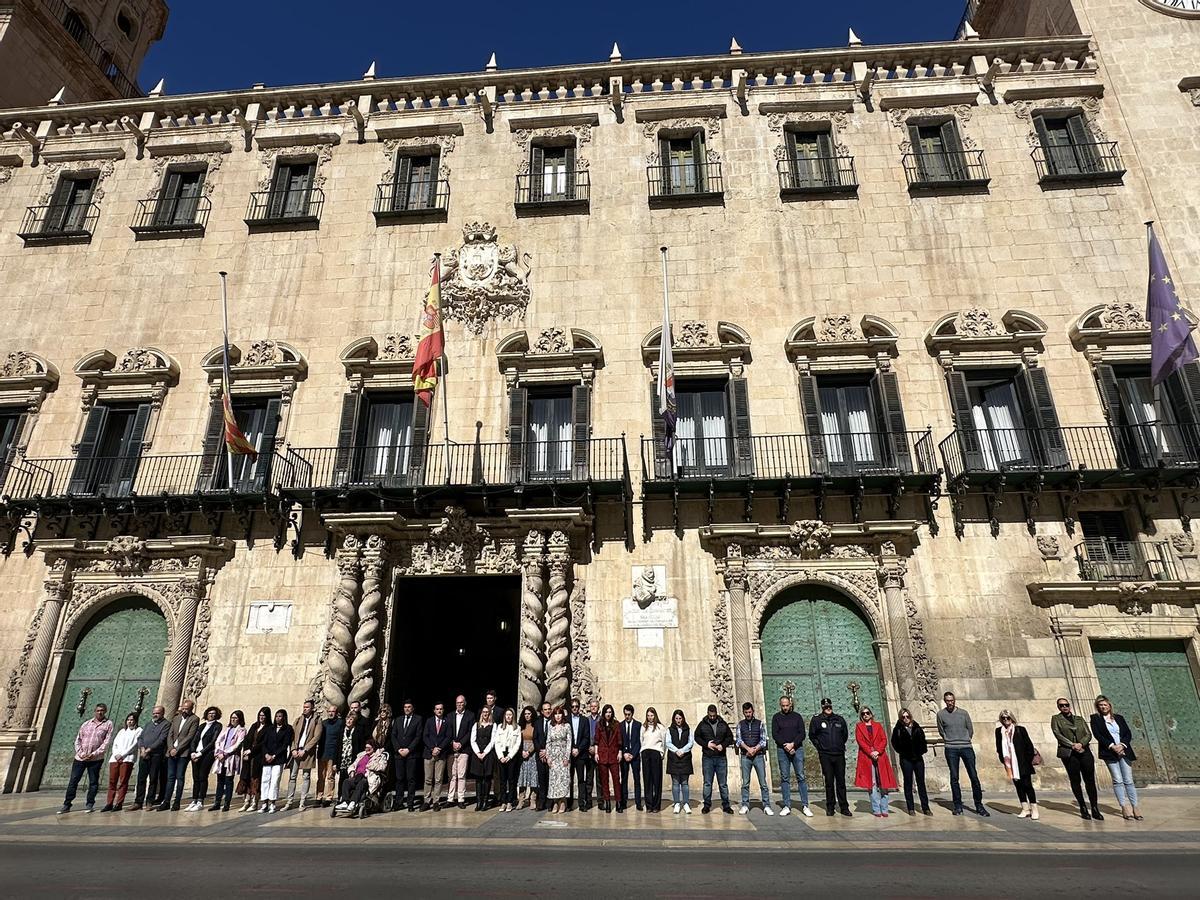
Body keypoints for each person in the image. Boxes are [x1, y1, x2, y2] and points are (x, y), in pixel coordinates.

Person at [936, 692, 989, 817]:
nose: (950, 703)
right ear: (944, 701)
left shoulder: (963, 713)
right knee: (954, 777)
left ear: (955, 700)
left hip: (966, 746)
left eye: (952, 700)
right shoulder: (940, 714)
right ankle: (957, 805)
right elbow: (941, 731)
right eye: (947, 701)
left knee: (974, 776)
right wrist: (950, 739)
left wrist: (965, 739)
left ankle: (979, 805)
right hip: (951, 748)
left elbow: (970, 729)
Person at [1091, 695, 1142, 821]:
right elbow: (1098, 735)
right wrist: (1112, 746)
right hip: (1109, 752)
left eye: (1105, 704)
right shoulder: (1095, 719)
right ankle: (1124, 807)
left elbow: (1127, 733)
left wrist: (1122, 745)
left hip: (1124, 751)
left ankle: (1135, 807)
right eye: (1101, 705)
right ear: (1098, 707)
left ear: (1110, 706)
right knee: (1118, 780)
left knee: (1128, 780)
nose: (1103, 707)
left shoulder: (1119, 718)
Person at [1052, 696, 1103, 820]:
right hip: (1069, 753)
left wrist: (1081, 743)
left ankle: (1094, 808)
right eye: (1061, 705)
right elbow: (1057, 734)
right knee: (1075, 780)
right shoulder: (1056, 719)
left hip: (1084, 751)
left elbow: (1088, 733)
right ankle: (1082, 807)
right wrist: (1072, 745)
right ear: (1058, 707)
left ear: (1070, 706)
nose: (1064, 707)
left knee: (1090, 780)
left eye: (1066, 705)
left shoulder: (1079, 719)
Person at [809, 697, 851, 817]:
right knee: (829, 781)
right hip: (826, 755)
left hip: (838, 754)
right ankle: (830, 807)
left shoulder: (839, 719)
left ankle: (844, 807)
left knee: (841, 782)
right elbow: (812, 735)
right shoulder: (817, 720)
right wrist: (820, 747)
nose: (828, 708)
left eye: (829, 706)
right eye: (825, 707)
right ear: (822, 708)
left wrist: (838, 745)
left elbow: (845, 735)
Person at [772, 695, 812, 817]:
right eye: (782, 705)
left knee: (801, 776)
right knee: (785, 778)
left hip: (797, 749)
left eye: (786, 705)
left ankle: (805, 805)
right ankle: (786, 805)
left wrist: (793, 744)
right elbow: (775, 734)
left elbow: (802, 733)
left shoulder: (797, 717)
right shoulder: (776, 717)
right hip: (782, 750)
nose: (785, 707)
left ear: (790, 704)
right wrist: (786, 745)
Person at [995, 710, 1039, 820]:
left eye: (1008, 718)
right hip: (1010, 764)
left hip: (1023, 762)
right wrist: (1003, 760)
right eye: (1003, 718)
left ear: (1012, 718)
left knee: (1027, 785)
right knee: (1018, 786)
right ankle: (1025, 808)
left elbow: (1029, 746)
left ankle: (1034, 808)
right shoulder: (999, 731)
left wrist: (1027, 760)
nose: (1006, 720)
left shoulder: (1020, 730)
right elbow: (999, 748)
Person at [855, 706, 897, 818]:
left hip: (880, 757)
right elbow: (860, 741)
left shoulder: (878, 725)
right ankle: (876, 809)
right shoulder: (859, 726)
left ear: (871, 714)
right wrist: (870, 752)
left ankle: (884, 808)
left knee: (884, 783)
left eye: (867, 713)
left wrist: (877, 751)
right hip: (867, 758)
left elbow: (884, 739)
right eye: (863, 714)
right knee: (872, 783)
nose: (865, 715)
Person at [890, 708, 931, 815]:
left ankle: (925, 807)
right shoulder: (898, 729)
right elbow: (894, 743)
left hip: (918, 758)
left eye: (907, 716)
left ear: (910, 716)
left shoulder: (917, 727)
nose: (906, 719)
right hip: (906, 759)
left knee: (921, 782)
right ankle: (911, 808)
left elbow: (923, 740)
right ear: (900, 718)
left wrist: (921, 751)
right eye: (903, 717)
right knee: (908, 783)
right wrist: (902, 752)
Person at [159, 699, 198, 812]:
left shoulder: (194, 719)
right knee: (170, 777)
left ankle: (177, 801)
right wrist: (171, 748)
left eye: (187, 709)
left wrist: (178, 749)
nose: (184, 710)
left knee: (179, 777)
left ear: (191, 709)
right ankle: (166, 801)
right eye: (183, 708)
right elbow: (170, 734)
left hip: (183, 753)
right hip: (171, 752)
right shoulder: (176, 718)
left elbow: (190, 736)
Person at [335, 739, 389, 819]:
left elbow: (382, 767)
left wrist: (370, 766)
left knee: (362, 782)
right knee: (346, 781)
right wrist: (352, 771)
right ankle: (345, 802)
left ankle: (353, 802)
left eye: (369, 748)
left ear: (373, 748)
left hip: (369, 777)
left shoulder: (380, 757)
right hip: (357, 776)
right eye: (366, 748)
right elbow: (353, 765)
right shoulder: (361, 756)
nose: (367, 750)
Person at [694, 703, 734, 815]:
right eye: (710, 716)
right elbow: (697, 737)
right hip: (708, 757)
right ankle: (707, 805)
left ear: (716, 713)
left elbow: (730, 737)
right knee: (707, 782)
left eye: (713, 715)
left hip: (721, 757)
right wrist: (706, 744)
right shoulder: (702, 724)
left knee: (723, 783)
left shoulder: (722, 724)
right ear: (708, 714)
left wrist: (723, 745)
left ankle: (726, 805)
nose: (712, 718)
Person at [736, 701, 773, 816]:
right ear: (743, 712)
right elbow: (738, 740)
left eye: (750, 712)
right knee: (745, 783)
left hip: (758, 756)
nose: (748, 714)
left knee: (763, 782)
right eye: (746, 712)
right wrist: (748, 749)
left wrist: (754, 749)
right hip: (745, 756)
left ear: (753, 711)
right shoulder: (740, 724)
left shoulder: (760, 723)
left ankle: (766, 805)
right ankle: (745, 805)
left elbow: (763, 740)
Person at [283, 699, 320, 811]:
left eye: (307, 707)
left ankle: (302, 802)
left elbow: (316, 737)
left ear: (312, 708)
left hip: (307, 753)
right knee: (292, 776)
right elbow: (292, 736)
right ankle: (289, 801)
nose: (305, 709)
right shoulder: (298, 720)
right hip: (296, 751)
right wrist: (293, 749)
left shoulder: (317, 720)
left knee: (306, 776)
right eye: (304, 707)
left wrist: (306, 749)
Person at [131, 705, 168, 811]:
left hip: (156, 755)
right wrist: (142, 748)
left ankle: (149, 802)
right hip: (144, 755)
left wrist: (149, 750)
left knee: (153, 779)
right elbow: (141, 737)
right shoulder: (148, 724)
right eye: (154, 713)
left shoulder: (166, 724)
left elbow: (161, 739)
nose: (155, 715)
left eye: (157, 713)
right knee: (141, 779)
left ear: (162, 713)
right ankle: (138, 802)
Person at [101, 713, 140, 812]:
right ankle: (109, 803)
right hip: (115, 758)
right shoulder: (122, 731)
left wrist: (122, 755)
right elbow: (115, 743)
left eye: (132, 720)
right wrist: (116, 754)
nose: (130, 721)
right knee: (112, 781)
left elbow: (134, 745)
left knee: (123, 781)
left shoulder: (139, 731)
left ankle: (119, 803)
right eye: (128, 720)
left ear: (135, 721)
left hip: (127, 759)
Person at [186, 705, 222, 812]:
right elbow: (194, 739)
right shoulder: (202, 726)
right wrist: (193, 752)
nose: (211, 715)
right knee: (196, 777)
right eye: (210, 713)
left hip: (207, 754)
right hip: (195, 753)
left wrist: (200, 753)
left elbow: (212, 742)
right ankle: (194, 799)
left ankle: (201, 800)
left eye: (213, 714)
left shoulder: (217, 726)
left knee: (202, 776)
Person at [390, 699, 423, 812]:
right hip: (399, 754)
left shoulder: (418, 719)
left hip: (411, 754)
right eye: (405, 707)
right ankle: (399, 802)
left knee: (411, 779)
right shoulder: (398, 720)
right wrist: (398, 749)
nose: (407, 709)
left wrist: (409, 749)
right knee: (399, 779)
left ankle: (410, 803)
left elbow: (418, 736)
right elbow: (393, 735)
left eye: (409, 707)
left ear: (412, 708)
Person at [260, 708, 294, 814]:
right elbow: (264, 743)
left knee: (275, 781)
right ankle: (264, 802)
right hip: (267, 758)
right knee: (265, 780)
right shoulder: (270, 728)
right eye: (277, 716)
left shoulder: (288, 729)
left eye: (280, 716)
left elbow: (285, 745)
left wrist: (274, 756)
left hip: (278, 759)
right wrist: (266, 754)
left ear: (284, 717)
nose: (278, 718)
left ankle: (272, 803)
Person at [237, 706, 270, 812]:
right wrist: (246, 750)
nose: (261, 717)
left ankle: (254, 802)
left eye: (263, 716)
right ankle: (246, 801)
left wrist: (251, 750)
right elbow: (247, 740)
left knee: (255, 779)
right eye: (260, 715)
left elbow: (263, 743)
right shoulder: (254, 726)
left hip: (258, 757)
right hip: (248, 757)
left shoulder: (269, 728)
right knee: (246, 778)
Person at [212, 710, 245, 812]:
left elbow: (237, 745)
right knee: (220, 781)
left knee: (229, 781)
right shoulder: (226, 729)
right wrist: (218, 751)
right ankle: (217, 802)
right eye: (232, 718)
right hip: (221, 757)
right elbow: (218, 740)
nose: (233, 720)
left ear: (239, 719)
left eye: (235, 718)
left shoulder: (242, 730)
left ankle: (227, 803)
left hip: (230, 758)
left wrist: (225, 753)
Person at [421, 701, 451, 811]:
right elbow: (425, 736)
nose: (439, 711)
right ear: (434, 710)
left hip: (441, 754)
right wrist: (432, 748)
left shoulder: (447, 722)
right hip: (429, 753)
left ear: (443, 710)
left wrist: (439, 748)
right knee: (428, 779)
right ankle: (426, 801)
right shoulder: (429, 721)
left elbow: (448, 737)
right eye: (437, 709)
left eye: (441, 709)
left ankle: (436, 801)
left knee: (438, 779)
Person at [447, 695, 475, 809]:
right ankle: (450, 798)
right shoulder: (449, 716)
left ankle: (461, 799)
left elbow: (470, 732)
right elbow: (447, 732)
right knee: (452, 775)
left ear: (465, 703)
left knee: (461, 775)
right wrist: (452, 743)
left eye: (461, 702)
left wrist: (460, 743)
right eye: (457, 703)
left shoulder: (470, 715)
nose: (459, 704)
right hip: (451, 749)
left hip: (464, 749)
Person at [594, 703, 622, 813]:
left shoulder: (616, 724)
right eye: (606, 712)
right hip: (603, 754)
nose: (608, 714)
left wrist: (620, 752)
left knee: (616, 779)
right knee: (604, 781)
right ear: (603, 713)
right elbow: (596, 740)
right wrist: (596, 753)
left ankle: (618, 802)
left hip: (614, 755)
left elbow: (619, 740)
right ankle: (607, 802)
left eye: (610, 712)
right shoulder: (599, 725)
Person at [666, 709, 694, 814]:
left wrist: (683, 750)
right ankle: (677, 802)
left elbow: (691, 742)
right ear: (674, 719)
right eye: (676, 718)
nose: (678, 720)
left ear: (683, 718)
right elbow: (668, 743)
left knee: (685, 783)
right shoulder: (669, 730)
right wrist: (676, 750)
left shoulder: (688, 729)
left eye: (680, 718)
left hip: (685, 758)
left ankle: (686, 803)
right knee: (675, 782)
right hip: (674, 759)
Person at [336, 709, 367, 803]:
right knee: (342, 780)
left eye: (351, 719)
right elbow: (337, 747)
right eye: (348, 719)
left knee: (351, 780)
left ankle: (350, 798)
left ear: (354, 721)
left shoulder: (358, 732)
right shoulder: (341, 732)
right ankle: (341, 798)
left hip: (352, 760)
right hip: (342, 760)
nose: (349, 721)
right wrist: (335, 762)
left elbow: (361, 747)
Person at [494, 707, 522, 812]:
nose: (508, 717)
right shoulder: (500, 727)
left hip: (511, 756)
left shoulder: (517, 728)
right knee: (502, 780)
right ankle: (503, 802)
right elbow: (497, 742)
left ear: (513, 716)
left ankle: (510, 801)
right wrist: (501, 756)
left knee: (511, 780)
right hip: (501, 754)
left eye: (510, 715)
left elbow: (517, 744)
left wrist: (509, 756)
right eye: (507, 715)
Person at [546, 706, 572, 814]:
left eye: (559, 713)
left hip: (563, 755)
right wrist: (548, 757)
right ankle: (555, 801)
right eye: (556, 714)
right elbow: (548, 742)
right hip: (553, 755)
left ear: (562, 715)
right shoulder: (550, 726)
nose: (558, 716)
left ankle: (563, 802)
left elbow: (569, 742)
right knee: (554, 780)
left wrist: (567, 757)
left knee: (563, 779)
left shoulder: (566, 726)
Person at [315, 704, 343, 808]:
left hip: (332, 753)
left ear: (336, 713)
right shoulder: (323, 723)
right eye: (329, 711)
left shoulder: (340, 723)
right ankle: (319, 796)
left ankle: (329, 797)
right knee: (320, 777)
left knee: (330, 776)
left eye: (333, 711)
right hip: (322, 753)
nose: (331, 713)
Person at [469, 706, 496, 811]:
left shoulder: (493, 726)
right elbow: (472, 740)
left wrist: (484, 752)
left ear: (490, 713)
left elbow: (492, 741)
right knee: (478, 779)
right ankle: (478, 802)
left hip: (488, 754)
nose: (485, 714)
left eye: (487, 712)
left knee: (487, 779)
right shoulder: (476, 725)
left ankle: (485, 801)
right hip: (477, 754)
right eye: (484, 712)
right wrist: (478, 753)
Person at [568, 698, 592, 811]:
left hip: (581, 754)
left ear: (579, 707)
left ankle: (582, 803)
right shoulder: (566, 719)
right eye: (572, 707)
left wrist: (578, 749)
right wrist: (571, 748)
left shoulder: (584, 720)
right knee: (569, 779)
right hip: (569, 754)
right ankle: (569, 803)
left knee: (581, 779)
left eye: (576, 706)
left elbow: (586, 737)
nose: (574, 708)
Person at [641, 707, 666, 813]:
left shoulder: (660, 728)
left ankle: (656, 805)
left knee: (657, 780)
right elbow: (641, 740)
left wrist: (662, 753)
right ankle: (649, 805)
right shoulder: (643, 727)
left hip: (656, 753)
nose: (650, 718)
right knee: (647, 780)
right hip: (646, 753)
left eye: (651, 715)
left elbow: (664, 742)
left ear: (655, 716)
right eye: (648, 716)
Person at [619, 704, 643, 812]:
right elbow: (620, 741)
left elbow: (639, 741)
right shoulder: (620, 725)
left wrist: (633, 754)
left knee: (637, 779)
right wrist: (624, 753)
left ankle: (638, 803)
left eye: (629, 714)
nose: (627, 716)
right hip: (624, 756)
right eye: (625, 714)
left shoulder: (638, 725)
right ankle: (624, 802)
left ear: (632, 714)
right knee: (624, 779)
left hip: (635, 756)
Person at [532, 700, 554, 811]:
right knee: (541, 779)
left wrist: (547, 751)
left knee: (550, 778)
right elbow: (535, 738)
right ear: (542, 711)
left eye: (549, 709)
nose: (547, 711)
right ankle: (541, 801)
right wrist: (540, 751)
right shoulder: (537, 722)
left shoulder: (555, 722)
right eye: (545, 709)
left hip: (551, 755)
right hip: (540, 755)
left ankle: (550, 802)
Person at [517, 705, 538, 810]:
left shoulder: (535, 725)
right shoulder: (520, 726)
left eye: (529, 714)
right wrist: (521, 751)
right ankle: (521, 799)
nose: (527, 716)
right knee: (522, 776)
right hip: (522, 752)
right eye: (525, 714)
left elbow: (536, 740)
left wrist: (529, 751)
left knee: (533, 776)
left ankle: (533, 799)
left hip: (532, 753)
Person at [586, 698, 601, 808]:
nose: (593, 708)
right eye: (591, 706)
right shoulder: (586, 720)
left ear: (598, 708)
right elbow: (584, 735)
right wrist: (589, 748)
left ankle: (600, 801)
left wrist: (597, 749)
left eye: (595, 706)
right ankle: (589, 800)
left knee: (600, 779)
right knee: (589, 778)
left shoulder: (601, 720)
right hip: (588, 752)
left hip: (599, 752)